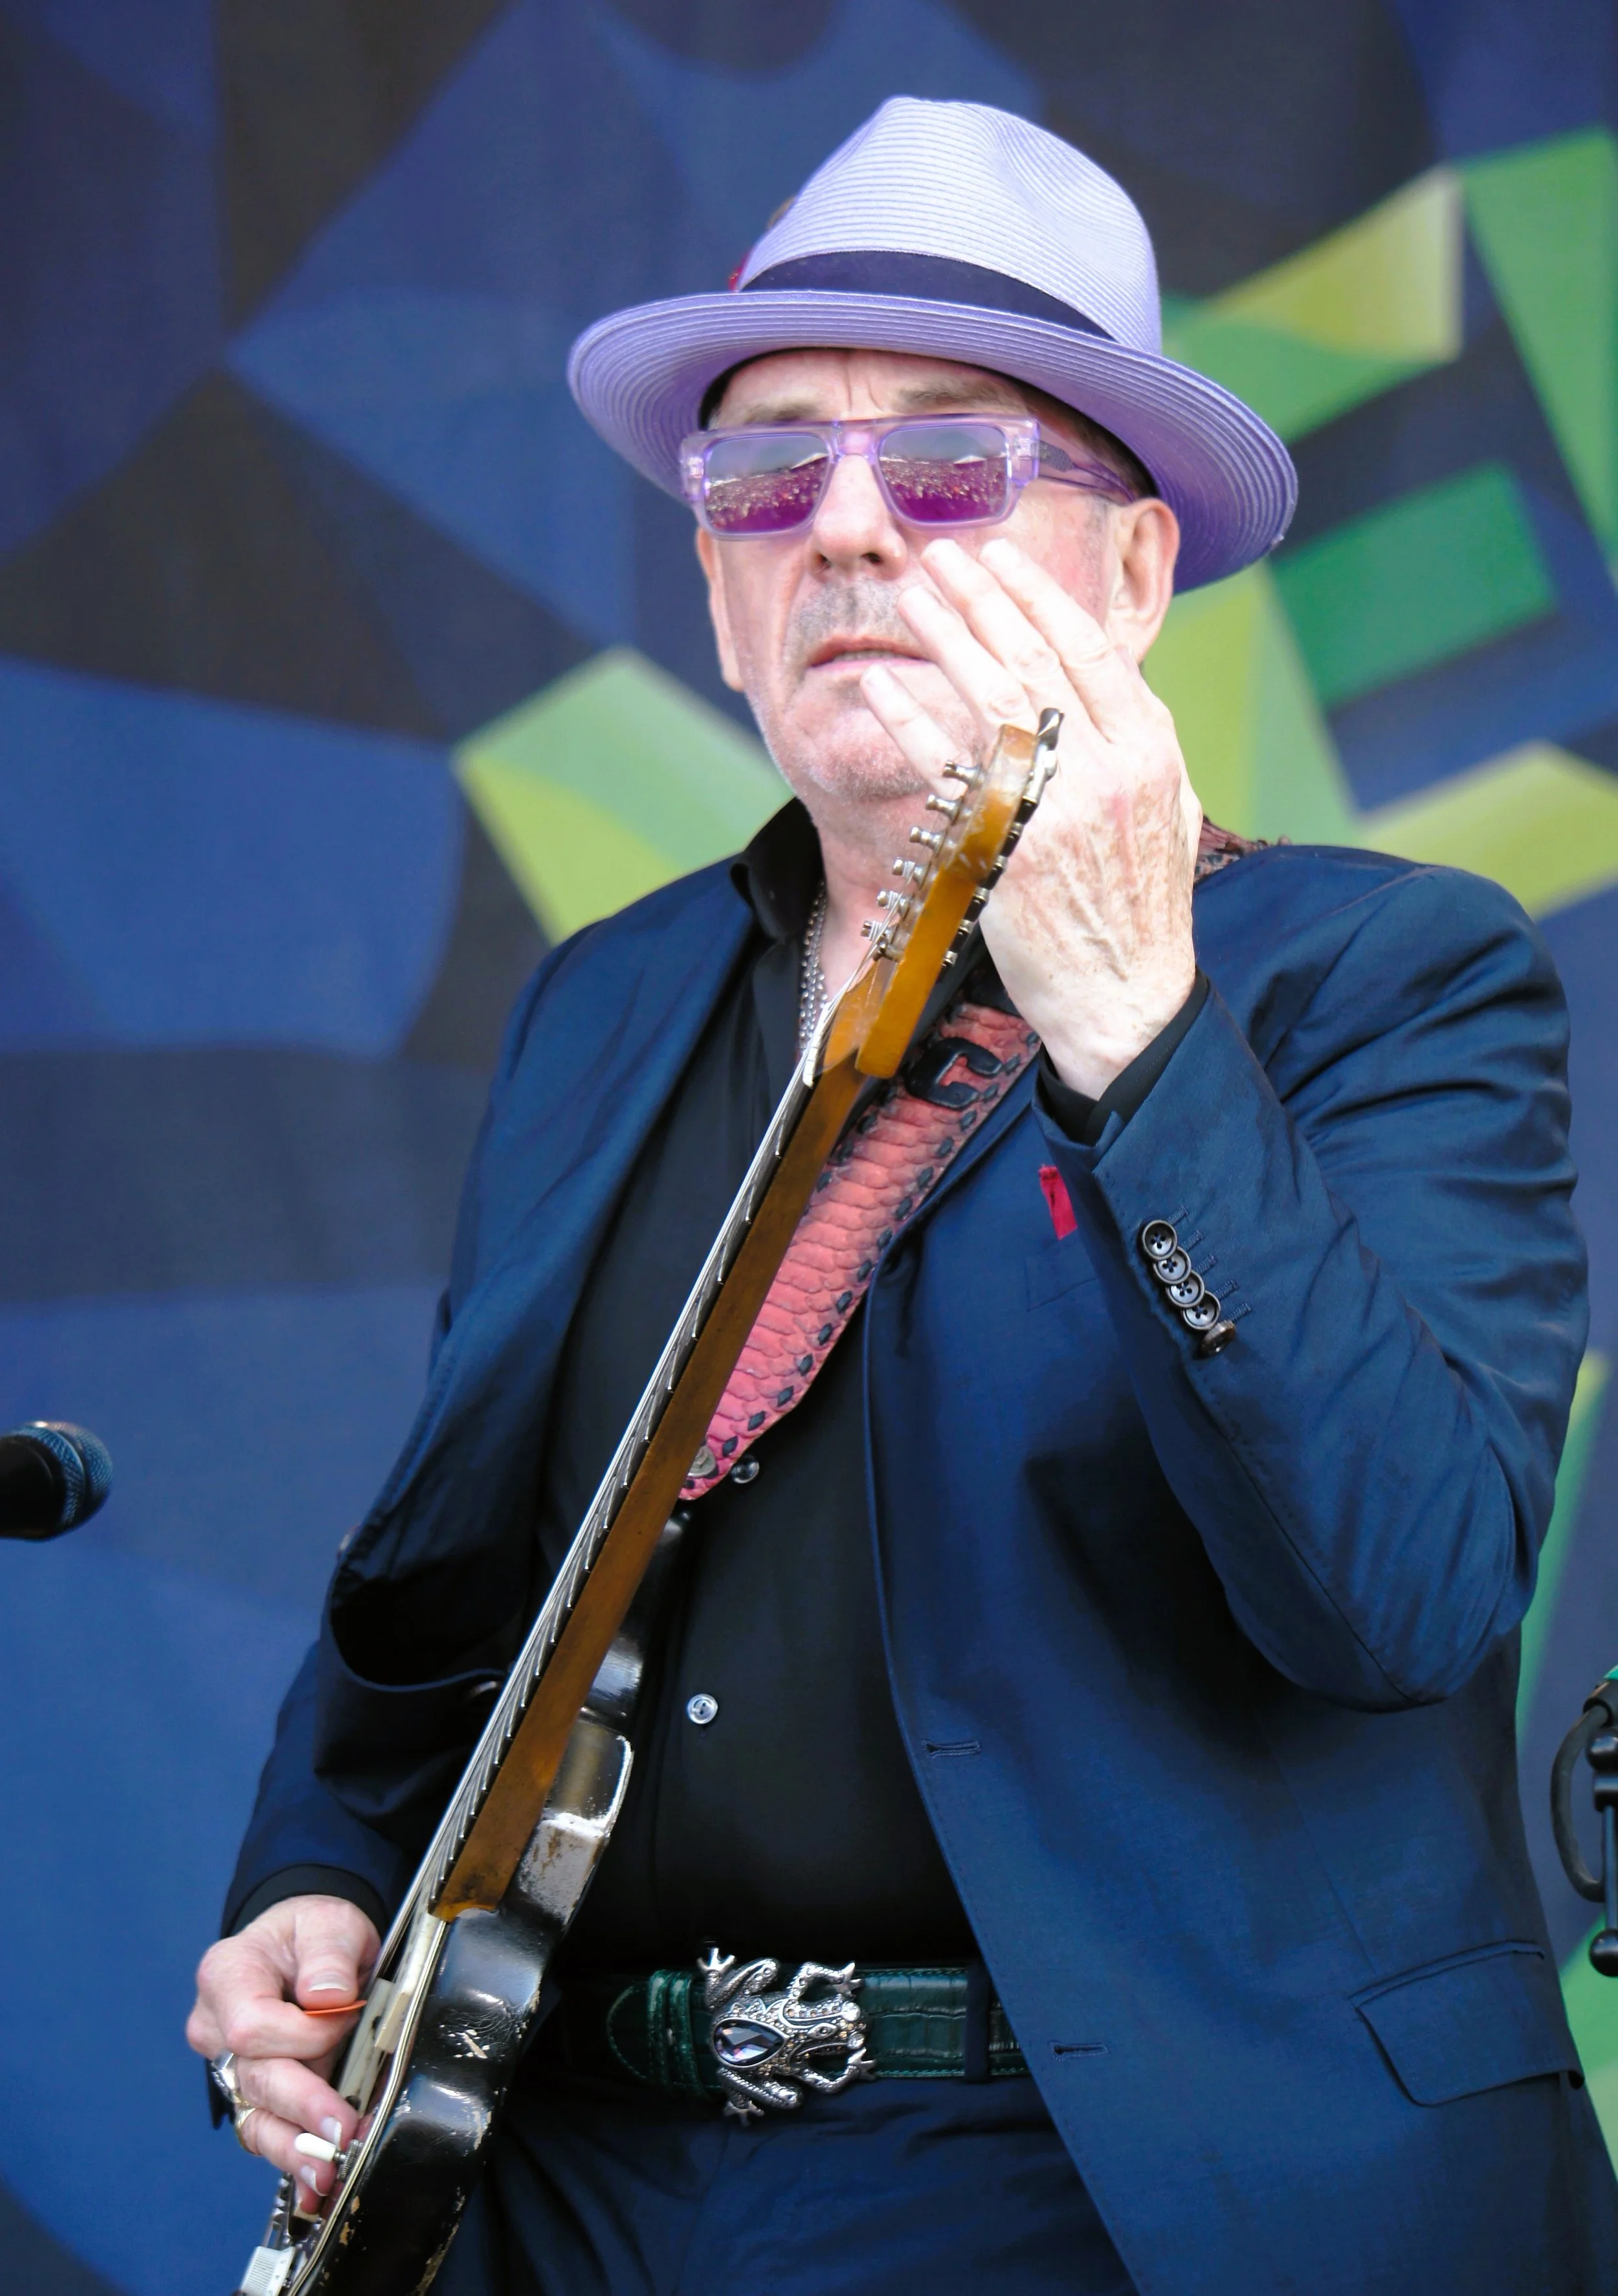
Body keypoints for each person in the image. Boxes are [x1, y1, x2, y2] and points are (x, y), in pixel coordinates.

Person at [188, 96, 1617, 2295]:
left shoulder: (1387, 973)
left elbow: (1400, 1594)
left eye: (947, 466)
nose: (842, 529)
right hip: (558, 2185)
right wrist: (309, 1877)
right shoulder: (614, 998)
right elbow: (443, 1590)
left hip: (1124, 2182)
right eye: (764, 477)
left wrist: (1142, 1040)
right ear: (713, 581)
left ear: (1131, 571)